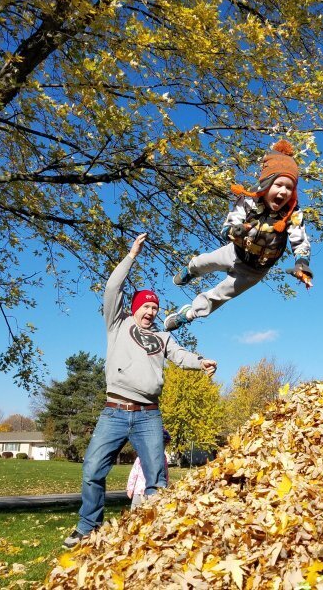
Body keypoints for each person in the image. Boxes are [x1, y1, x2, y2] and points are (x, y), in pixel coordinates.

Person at [63, 233, 217, 549]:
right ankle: (88, 527)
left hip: (149, 415)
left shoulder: (162, 338)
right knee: (93, 469)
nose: (149, 312)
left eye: (154, 308)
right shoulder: (117, 325)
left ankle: (152, 533)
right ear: (134, 308)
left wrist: (200, 361)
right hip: (115, 410)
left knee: (156, 481)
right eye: (145, 306)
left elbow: (180, 355)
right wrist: (131, 255)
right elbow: (111, 288)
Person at [164, 139, 313, 332]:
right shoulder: (248, 202)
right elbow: (231, 223)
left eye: (289, 188)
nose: (283, 192)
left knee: (220, 295)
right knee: (204, 262)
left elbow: (299, 238)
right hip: (235, 252)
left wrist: (302, 263)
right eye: (279, 184)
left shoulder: (292, 214)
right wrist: (235, 230)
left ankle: (189, 314)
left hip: (255, 271)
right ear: (267, 183)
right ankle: (191, 270)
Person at [127, 429, 171, 509]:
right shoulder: (142, 456)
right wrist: (130, 488)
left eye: (165, 445)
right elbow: (134, 473)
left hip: (155, 491)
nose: (163, 447)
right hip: (140, 490)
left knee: (151, 512)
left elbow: (165, 473)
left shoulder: (163, 458)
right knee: (135, 511)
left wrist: (165, 486)